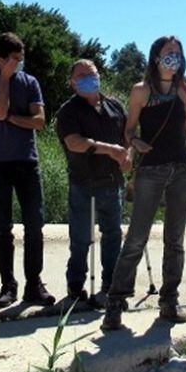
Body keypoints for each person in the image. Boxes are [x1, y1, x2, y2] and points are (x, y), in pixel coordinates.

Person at [101, 35, 186, 332]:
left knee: (175, 240)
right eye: (169, 52)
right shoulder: (141, 91)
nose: (174, 57)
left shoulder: (183, 88)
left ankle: (169, 300)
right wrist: (135, 142)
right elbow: (128, 130)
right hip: (151, 171)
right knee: (136, 239)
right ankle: (115, 303)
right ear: (156, 57)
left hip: (182, 169)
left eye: (178, 52)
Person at [0, 32, 55, 307]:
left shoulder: (30, 82)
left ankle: (35, 284)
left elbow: (40, 121)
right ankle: (8, 285)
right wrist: (5, 80)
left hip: (26, 161)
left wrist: (10, 117)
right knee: (2, 227)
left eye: (21, 59)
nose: (19, 64)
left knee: (35, 224)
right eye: (14, 60)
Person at [55, 59, 130, 306]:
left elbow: (127, 136)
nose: (89, 78)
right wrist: (109, 150)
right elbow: (74, 142)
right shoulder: (68, 111)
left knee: (112, 236)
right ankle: (75, 288)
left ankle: (110, 285)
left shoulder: (114, 106)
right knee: (81, 238)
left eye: (92, 73)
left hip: (112, 182)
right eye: (82, 75)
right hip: (83, 183)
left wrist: (127, 156)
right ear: (72, 82)